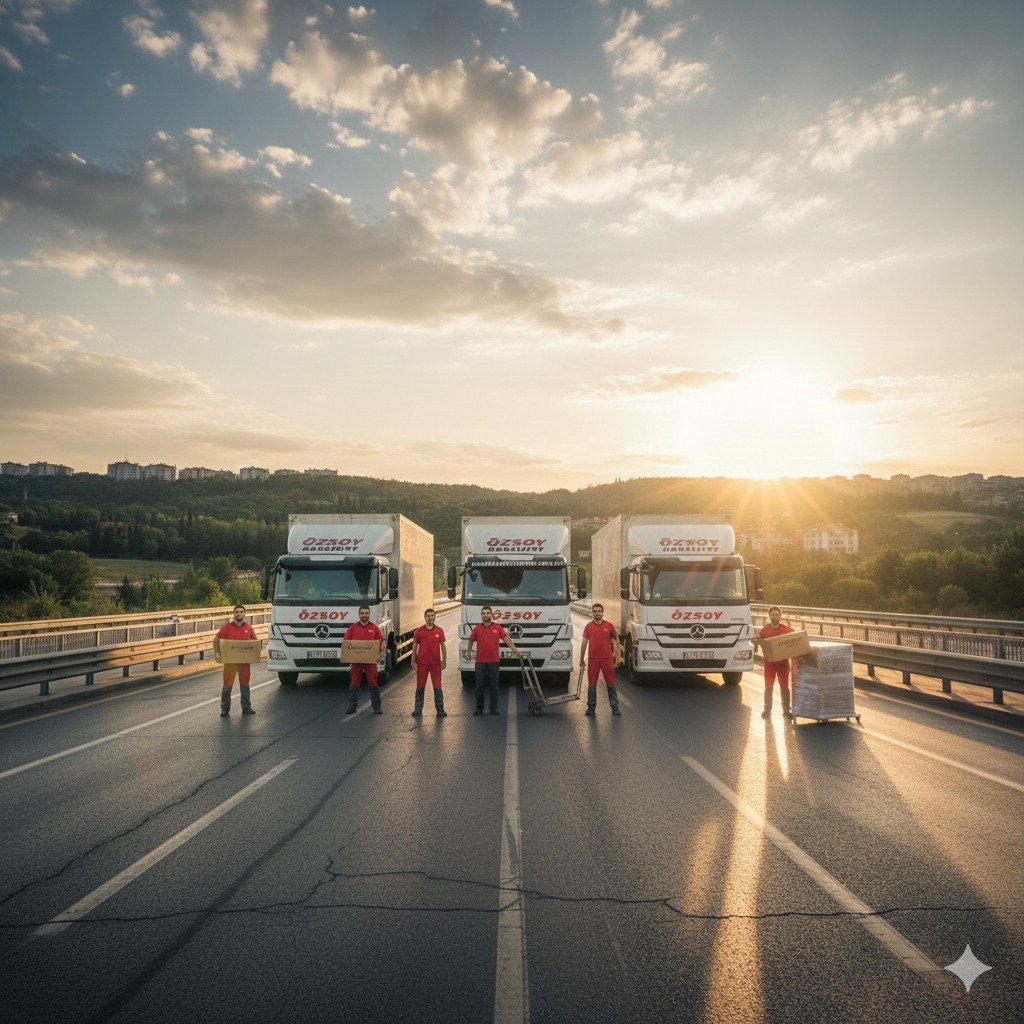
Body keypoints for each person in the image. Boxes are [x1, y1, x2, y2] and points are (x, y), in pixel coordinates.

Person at [466, 605, 524, 716]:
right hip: (480, 662)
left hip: (494, 662)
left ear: (491, 615)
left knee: (494, 686)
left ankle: (493, 708)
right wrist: (468, 652)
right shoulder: (477, 628)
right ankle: (479, 708)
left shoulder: (497, 627)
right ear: (481, 615)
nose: (486, 615)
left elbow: (507, 640)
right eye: (484, 613)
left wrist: (516, 651)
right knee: (479, 686)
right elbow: (471, 640)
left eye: (488, 613)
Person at [214, 605, 258, 717]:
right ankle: (225, 709)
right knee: (227, 684)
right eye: (237, 612)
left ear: (244, 614)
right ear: (234, 614)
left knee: (245, 684)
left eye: (241, 612)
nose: (239, 614)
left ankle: (246, 707)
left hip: (244, 662)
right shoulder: (227, 627)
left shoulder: (248, 628)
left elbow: (254, 643)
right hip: (230, 663)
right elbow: (216, 639)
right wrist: (217, 653)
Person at [580, 602, 622, 716]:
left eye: (599, 611)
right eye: (595, 611)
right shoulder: (588, 626)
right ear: (592, 613)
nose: (597, 613)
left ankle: (615, 708)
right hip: (593, 659)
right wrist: (581, 659)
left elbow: (617, 641)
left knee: (610, 683)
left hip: (607, 659)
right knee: (592, 684)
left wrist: (617, 658)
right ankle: (591, 708)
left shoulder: (609, 626)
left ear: (603, 613)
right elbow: (584, 643)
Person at [344, 605, 385, 715]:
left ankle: (377, 707)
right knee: (354, 683)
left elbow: (381, 641)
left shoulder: (374, 628)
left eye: (366, 613)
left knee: (373, 682)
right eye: (362, 613)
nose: (364, 615)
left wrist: (381, 649)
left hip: (370, 661)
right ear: (359, 615)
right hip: (356, 661)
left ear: (369, 614)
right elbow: (346, 642)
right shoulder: (353, 628)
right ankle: (352, 707)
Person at [755, 605, 794, 719]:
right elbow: (757, 640)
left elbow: (796, 639)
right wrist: (755, 642)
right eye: (772, 615)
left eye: (777, 615)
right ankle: (767, 710)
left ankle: (786, 710)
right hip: (769, 664)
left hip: (783, 664)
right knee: (768, 687)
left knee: (784, 687)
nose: (774, 617)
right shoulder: (764, 630)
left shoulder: (786, 630)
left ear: (780, 616)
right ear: (769, 616)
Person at [411, 608, 447, 717]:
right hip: (422, 664)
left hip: (435, 664)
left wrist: (444, 660)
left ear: (435, 617)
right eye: (428, 616)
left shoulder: (439, 631)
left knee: (437, 686)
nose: (430, 618)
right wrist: (413, 662)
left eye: (432, 615)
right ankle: (418, 709)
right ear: (425, 617)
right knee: (420, 686)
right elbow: (414, 647)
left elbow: (443, 647)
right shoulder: (419, 631)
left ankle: (440, 709)